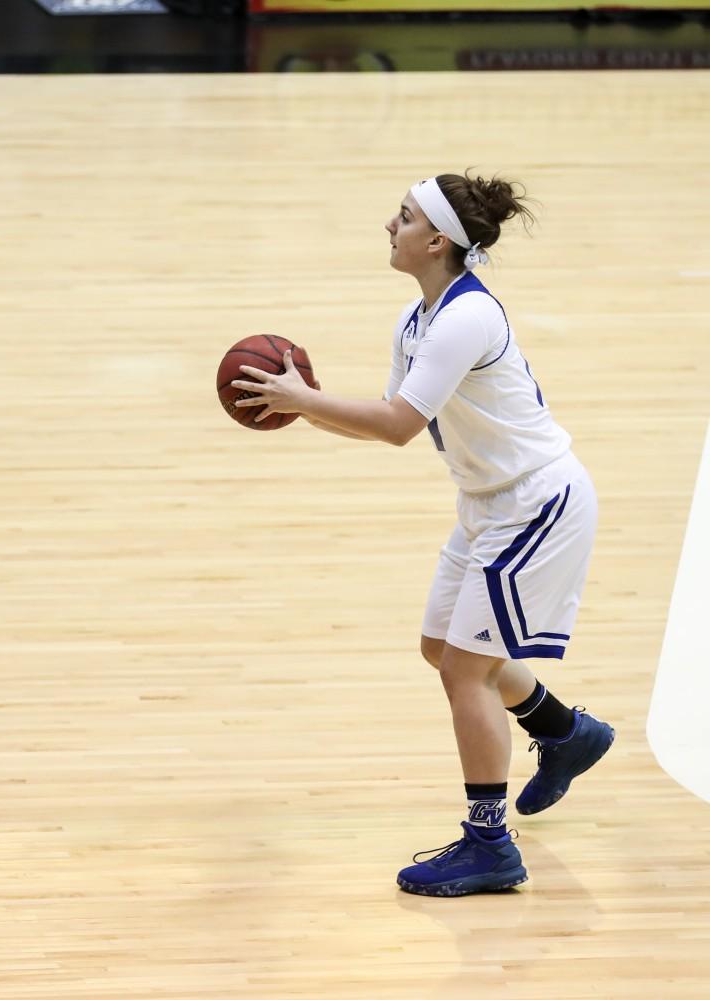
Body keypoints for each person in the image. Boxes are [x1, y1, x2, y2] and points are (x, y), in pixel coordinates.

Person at [230, 171, 615, 897]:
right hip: (488, 506)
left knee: (465, 671)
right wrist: (301, 406)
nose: (389, 226)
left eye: (402, 218)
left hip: (536, 504)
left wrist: (301, 400)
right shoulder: (417, 321)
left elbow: (400, 426)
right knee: (441, 649)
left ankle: (489, 845)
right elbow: (389, 419)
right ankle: (565, 731)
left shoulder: (466, 318)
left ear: (436, 240)